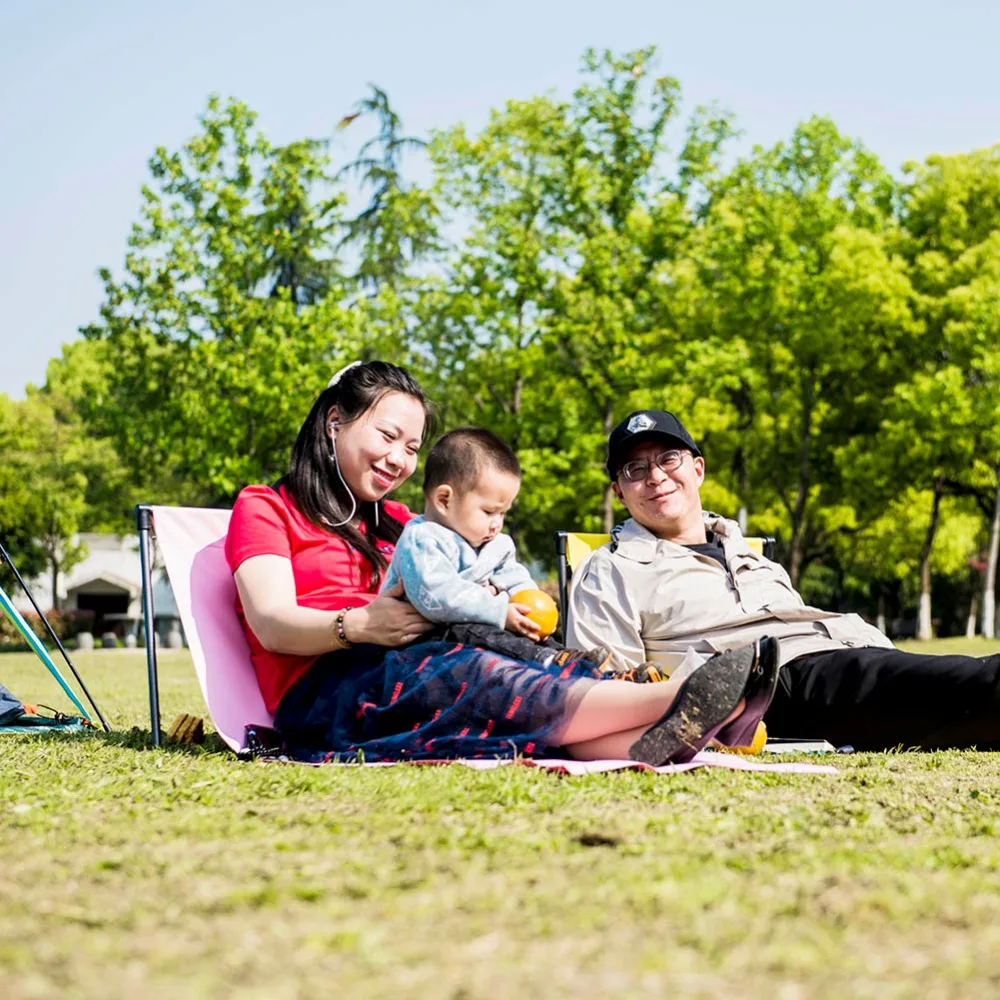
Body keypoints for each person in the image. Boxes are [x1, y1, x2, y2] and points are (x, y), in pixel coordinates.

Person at [224, 363, 772, 765]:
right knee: (478, 674)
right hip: (325, 693)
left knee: (520, 668)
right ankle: (684, 697)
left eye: (412, 447)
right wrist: (357, 625)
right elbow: (271, 622)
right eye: (388, 436)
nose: (399, 459)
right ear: (334, 422)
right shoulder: (268, 506)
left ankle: (674, 735)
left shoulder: (401, 522)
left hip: (415, 665)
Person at [567, 409, 1000, 752]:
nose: (656, 476)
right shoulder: (609, 569)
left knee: (959, 686)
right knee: (975, 686)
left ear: (697, 469)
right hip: (767, 684)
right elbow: (607, 690)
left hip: (846, 655)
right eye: (634, 470)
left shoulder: (745, 551)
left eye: (668, 459)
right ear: (619, 493)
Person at [380, 426, 611, 671]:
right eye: (489, 512)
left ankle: (575, 662)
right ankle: (550, 664)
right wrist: (500, 611)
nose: (497, 523)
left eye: (503, 513)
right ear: (444, 500)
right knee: (472, 629)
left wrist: (530, 607)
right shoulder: (423, 540)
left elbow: (513, 577)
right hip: (424, 643)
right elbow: (439, 596)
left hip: (474, 632)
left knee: (524, 632)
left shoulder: (493, 542)